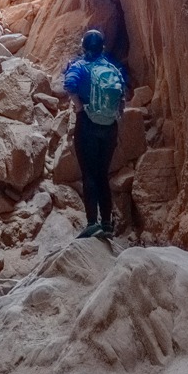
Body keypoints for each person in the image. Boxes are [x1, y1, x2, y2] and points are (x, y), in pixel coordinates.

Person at [61, 28, 128, 238]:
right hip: (109, 128)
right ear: (102, 48)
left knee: (89, 174)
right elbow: (122, 95)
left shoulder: (80, 67)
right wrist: (115, 116)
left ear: (83, 46)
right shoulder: (111, 68)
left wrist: (80, 106)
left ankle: (92, 223)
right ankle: (107, 224)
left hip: (88, 124)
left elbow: (69, 84)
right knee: (102, 174)